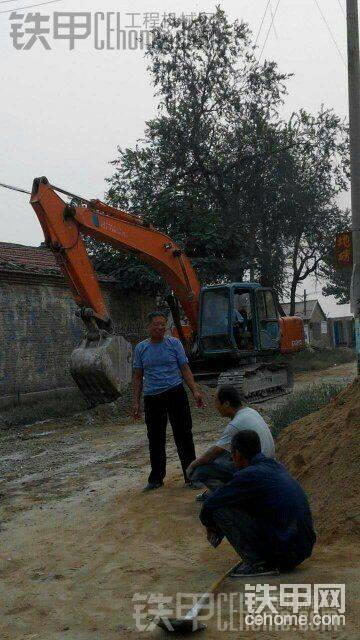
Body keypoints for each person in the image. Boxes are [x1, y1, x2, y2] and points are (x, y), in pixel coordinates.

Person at [199, 430, 316, 578]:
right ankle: (266, 556)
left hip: (286, 554)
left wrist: (211, 526)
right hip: (302, 548)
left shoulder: (249, 475)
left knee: (220, 510)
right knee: (238, 502)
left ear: (238, 455)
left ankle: (257, 563)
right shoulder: (274, 465)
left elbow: (211, 503)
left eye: (232, 454)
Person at [133, 311, 204, 492]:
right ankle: (156, 478)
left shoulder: (174, 344)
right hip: (152, 398)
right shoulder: (141, 348)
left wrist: (195, 391)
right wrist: (136, 402)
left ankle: (191, 477)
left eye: (163, 324)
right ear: (148, 326)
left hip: (176, 394)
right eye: (156, 324)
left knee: (184, 436)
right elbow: (138, 377)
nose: (160, 327)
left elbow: (185, 369)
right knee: (155, 439)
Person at [187, 385, 275, 499]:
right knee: (224, 456)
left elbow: (214, 452)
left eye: (217, 403)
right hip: (268, 465)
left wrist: (193, 464)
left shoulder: (236, 424)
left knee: (200, 469)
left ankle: (224, 494)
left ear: (227, 404)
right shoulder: (251, 411)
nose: (215, 407)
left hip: (255, 472)